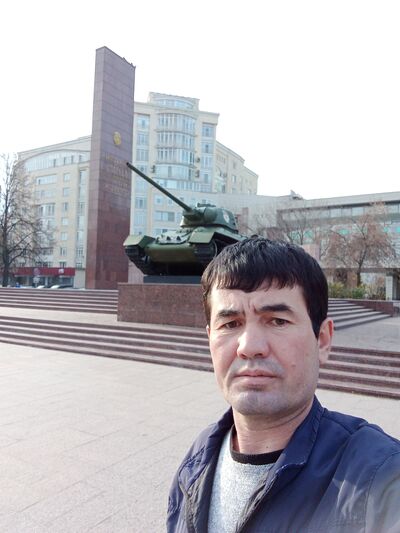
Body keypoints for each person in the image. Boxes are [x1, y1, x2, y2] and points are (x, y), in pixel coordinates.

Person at [167, 237, 400, 533]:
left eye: (277, 321)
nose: (249, 347)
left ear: (322, 340)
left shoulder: (382, 477)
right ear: (209, 339)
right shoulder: (198, 458)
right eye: (230, 324)